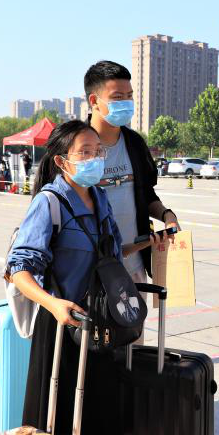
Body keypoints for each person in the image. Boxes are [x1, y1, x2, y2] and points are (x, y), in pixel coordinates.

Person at [6, 120, 161, 433]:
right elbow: (18, 270)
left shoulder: (100, 197)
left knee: (99, 413)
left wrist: (147, 242)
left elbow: (110, 254)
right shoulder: (49, 202)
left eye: (98, 151)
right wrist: (53, 304)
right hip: (64, 325)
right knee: (60, 416)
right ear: (62, 161)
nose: (95, 158)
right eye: (85, 152)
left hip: (101, 324)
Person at [84, 60, 180, 294]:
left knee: (136, 319)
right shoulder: (73, 147)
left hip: (133, 268)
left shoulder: (135, 144)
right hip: (88, 273)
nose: (126, 103)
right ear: (94, 101)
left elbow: (146, 194)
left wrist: (167, 215)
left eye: (129, 96)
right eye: (117, 97)